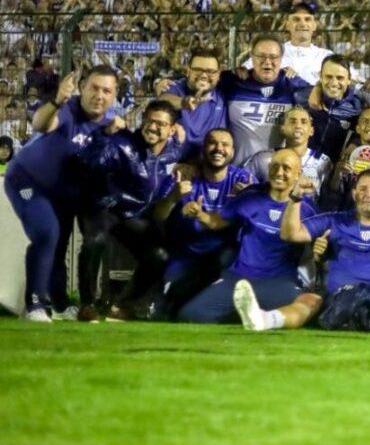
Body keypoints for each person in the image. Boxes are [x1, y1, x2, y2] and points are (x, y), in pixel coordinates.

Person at [235, 168, 370, 332]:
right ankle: (265, 319)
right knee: (308, 300)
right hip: (333, 300)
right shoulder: (335, 219)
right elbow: (290, 234)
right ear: (353, 193)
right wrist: (295, 198)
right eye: (363, 188)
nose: (369, 194)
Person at [4, 67, 122, 322]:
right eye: (94, 87)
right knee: (47, 233)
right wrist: (57, 101)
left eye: (106, 90)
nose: (99, 95)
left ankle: (59, 304)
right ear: (82, 87)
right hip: (26, 180)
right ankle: (35, 304)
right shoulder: (68, 110)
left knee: (58, 245)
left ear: (114, 95)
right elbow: (41, 124)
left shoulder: (109, 126)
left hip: (63, 192)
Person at [177, 149, 317, 324]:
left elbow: (318, 244)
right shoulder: (250, 196)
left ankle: (258, 318)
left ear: (298, 174)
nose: (279, 172)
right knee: (190, 315)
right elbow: (218, 221)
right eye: (274, 166)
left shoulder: (307, 209)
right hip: (238, 278)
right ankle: (244, 316)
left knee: (299, 314)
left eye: (286, 168)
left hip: (280, 282)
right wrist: (199, 214)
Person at [75, 100, 184, 320]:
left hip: (133, 216)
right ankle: (87, 305)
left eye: (160, 124)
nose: (153, 127)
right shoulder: (121, 143)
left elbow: (183, 148)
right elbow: (89, 161)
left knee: (159, 255)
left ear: (172, 130)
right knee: (95, 241)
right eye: (149, 120)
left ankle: (125, 305)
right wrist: (103, 135)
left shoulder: (173, 151)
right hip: (103, 208)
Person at [153, 128, 252, 319]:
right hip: (185, 254)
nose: (219, 148)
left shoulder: (243, 180)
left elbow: (257, 221)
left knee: (228, 259)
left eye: (225, 144)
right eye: (213, 143)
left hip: (224, 259)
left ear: (232, 151)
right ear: (203, 148)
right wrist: (174, 197)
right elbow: (158, 216)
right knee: (169, 314)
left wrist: (248, 200)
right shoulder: (182, 177)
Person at [219, 35, 309, 164]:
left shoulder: (292, 84)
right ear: (252, 57)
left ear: (281, 59)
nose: (267, 62)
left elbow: (321, 94)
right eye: (261, 56)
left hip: (278, 174)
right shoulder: (234, 81)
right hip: (238, 172)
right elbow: (203, 79)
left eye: (273, 57)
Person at [243, 106, 333, 194]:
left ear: (311, 131)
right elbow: (242, 190)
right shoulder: (262, 159)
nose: (298, 126)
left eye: (304, 122)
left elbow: (329, 201)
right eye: (292, 122)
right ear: (282, 129)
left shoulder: (323, 162)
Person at [242, 2, 334, 85]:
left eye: (307, 19)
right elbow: (241, 75)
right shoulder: (271, 52)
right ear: (287, 25)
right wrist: (274, 75)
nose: (302, 24)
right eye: (296, 19)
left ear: (314, 25)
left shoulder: (326, 56)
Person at [155, 47, 226, 147]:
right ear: (188, 71)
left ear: (218, 74)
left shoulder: (225, 92)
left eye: (210, 71)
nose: (204, 76)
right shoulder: (175, 87)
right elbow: (163, 101)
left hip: (209, 159)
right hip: (178, 160)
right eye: (198, 70)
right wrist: (184, 102)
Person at [304, 54, 365, 163]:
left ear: (349, 80)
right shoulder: (303, 96)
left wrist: (355, 143)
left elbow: (361, 131)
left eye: (340, 78)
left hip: (334, 170)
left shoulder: (356, 107)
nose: (334, 82)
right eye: (328, 76)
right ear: (320, 76)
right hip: (299, 164)